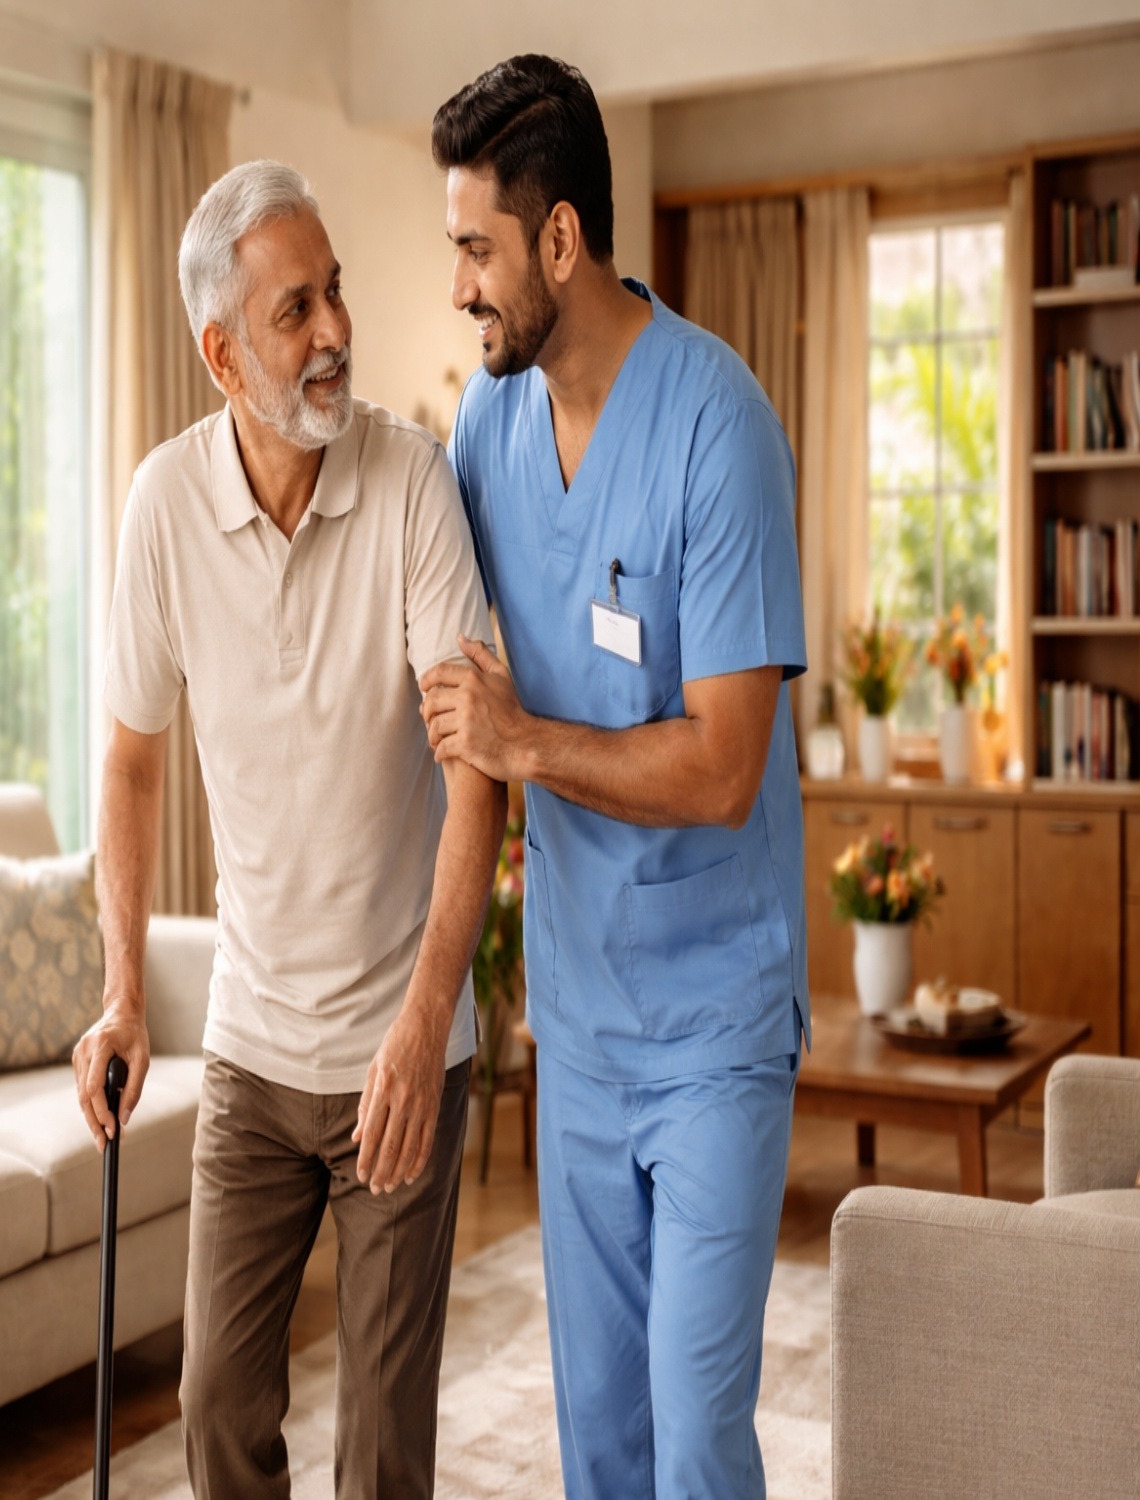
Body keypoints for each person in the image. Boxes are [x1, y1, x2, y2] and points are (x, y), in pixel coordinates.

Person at [71, 158, 506, 1500]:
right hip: (256, 1054)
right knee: (216, 1411)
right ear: (219, 351)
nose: (332, 334)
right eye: (292, 311)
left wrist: (430, 1020)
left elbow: (478, 770)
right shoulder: (162, 510)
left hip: (397, 1038)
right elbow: (133, 763)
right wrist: (126, 998)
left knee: (380, 1448)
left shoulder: (414, 488)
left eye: (335, 296)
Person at [421, 55, 811, 1500]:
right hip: (582, 1025)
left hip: (714, 1022)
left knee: (698, 1438)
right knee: (603, 1446)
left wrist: (525, 744)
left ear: (562, 242)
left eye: (476, 247)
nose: (458, 283)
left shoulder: (720, 425)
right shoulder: (485, 429)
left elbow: (722, 768)